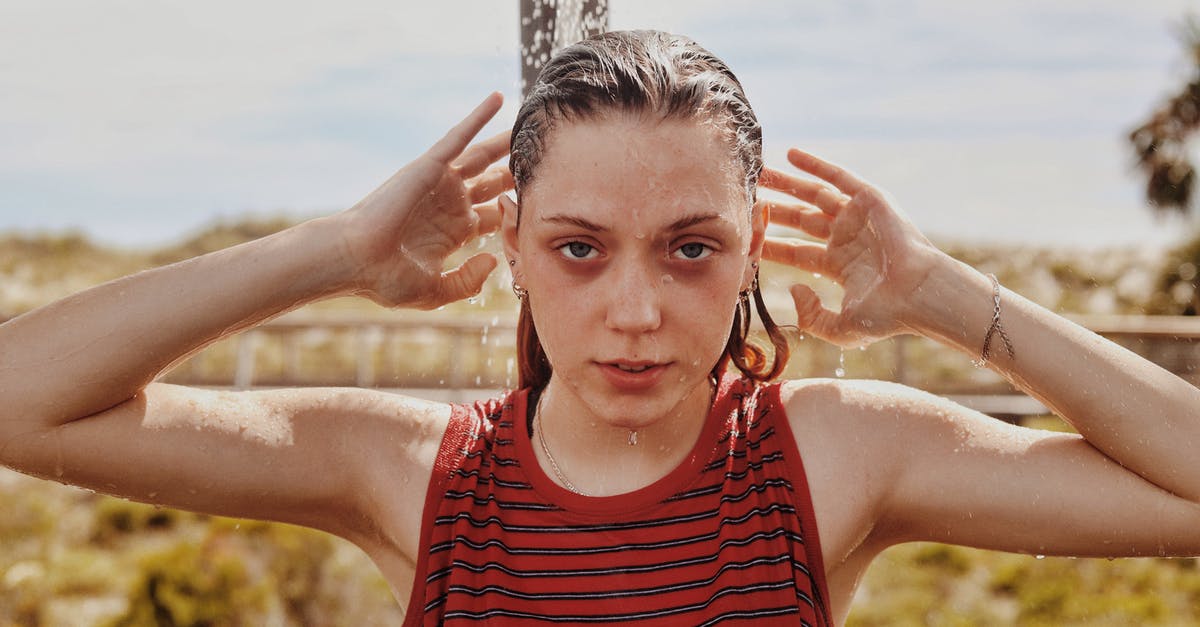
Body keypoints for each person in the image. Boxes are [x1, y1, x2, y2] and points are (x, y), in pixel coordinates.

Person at [2, 29, 1198, 626]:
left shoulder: (830, 456)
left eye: (692, 248)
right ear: (513, 251)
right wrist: (339, 256)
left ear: (749, 256)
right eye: (579, 248)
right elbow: (19, 402)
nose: (635, 312)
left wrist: (939, 294)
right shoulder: (416, 476)